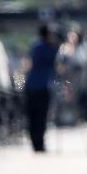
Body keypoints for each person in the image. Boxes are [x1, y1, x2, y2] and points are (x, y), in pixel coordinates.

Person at [24, 24, 58, 152]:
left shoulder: (35, 46)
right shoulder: (49, 48)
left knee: (32, 116)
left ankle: (35, 143)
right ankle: (39, 144)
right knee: (41, 117)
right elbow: (60, 60)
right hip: (42, 87)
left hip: (31, 85)